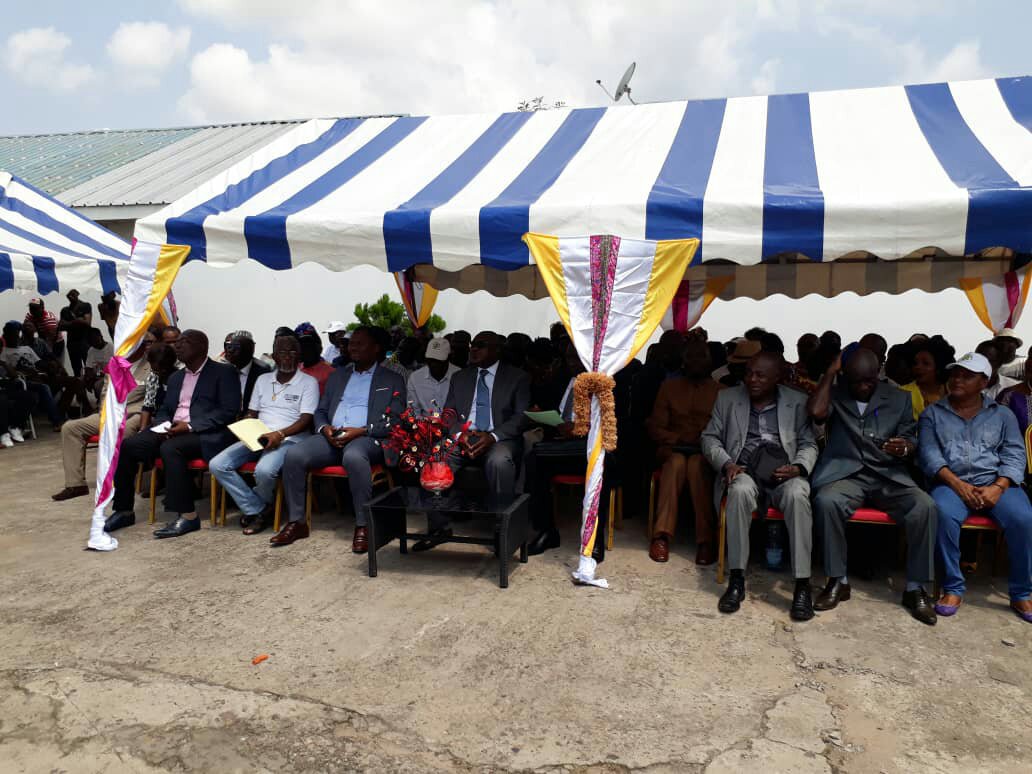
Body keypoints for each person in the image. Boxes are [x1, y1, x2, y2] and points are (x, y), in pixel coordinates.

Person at [808, 348, 938, 625]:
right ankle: (837, 580)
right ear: (845, 376)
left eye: (869, 380)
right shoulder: (836, 393)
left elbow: (910, 438)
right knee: (827, 502)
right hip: (846, 475)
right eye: (857, 381)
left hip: (888, 475)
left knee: (924, 506)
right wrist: (830, 372)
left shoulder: (899, 398)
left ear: (878, 374)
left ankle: (916, 588)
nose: (864, 386)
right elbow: (817, 412)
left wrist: (905, 447)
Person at [701, 352, 818, 621]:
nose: (752, 379)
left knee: (798, 495)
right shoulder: (728, 398)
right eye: (749, 373)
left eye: (760, 375)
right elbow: (709, 438)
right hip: (744, 470)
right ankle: (737, 580)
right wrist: (727, 463)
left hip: (784, 473)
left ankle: (802, 585)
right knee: (739, 491)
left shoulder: (797, 402)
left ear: (777, 378)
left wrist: (798, 467)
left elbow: (809, 443)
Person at [918, 352, 1032, 624]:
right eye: (955, 374)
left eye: (967, 376)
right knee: (941, 513)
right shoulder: (933, 413)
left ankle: (1021, 592)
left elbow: (1015, 454)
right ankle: (953, 588)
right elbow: (929, 455)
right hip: (951, 482)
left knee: (1024, 518)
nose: (957, 380)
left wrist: (999, 486)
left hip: (995, 482)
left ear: (984, 382)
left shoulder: (1002, 415)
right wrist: (958, 485)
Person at [276, 326, 406, 551]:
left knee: (354, 456)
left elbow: (397, 421)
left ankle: (363, 525)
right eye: (351, 343)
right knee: (294, 454)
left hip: (366, 437)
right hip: (332, 436)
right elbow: (320, 411)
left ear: (376, 348)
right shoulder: (338, 375)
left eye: (359, 343)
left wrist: (361, 431)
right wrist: (324, 428)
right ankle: (297, 522)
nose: (352, 347)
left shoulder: (392, 378)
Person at [103, 330, 240, 537]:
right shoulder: (176, 377)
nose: (178, 345)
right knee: (128, 445)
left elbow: (228, 411)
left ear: (201, 347)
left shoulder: (224, 372)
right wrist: (162, 426)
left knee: (170, 448)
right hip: (172, 429)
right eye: (178, 342)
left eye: (184, 342)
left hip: (205, 433)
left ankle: (188, 516)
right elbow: (166, 409)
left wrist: (190, 426)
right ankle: (123, 510)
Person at [210, 335, 319, 535]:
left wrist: (279, 434)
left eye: (292, 352)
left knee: (264, 471)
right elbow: (252, 412)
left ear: (299, 356)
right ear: (274, 356)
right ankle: (258, 509)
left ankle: (258, 511)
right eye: (282, 352)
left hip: (290, 438)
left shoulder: (308, 382)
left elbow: (306, 420)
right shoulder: (263, 380)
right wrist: (245, 426)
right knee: (218, 464)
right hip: (259, 435)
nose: (287, 356)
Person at [523, 346, 609, 560]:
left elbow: (613, 422)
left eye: (576, 357)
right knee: (534, 460)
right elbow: (550, 412)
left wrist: (582, 428)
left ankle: (595, 539)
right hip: (562, 447)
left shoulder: (604, 383)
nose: (571, 361)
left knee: (601, 471)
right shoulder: (561, 381)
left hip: (591, 448)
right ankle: (546, 531)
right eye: (568, 356)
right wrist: (540, 415)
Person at [52, 330, 156, 501]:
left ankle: (118, 484)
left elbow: (150, 400)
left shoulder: (152, 366)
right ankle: (75, 484)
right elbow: (105, 394)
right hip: (110, 413)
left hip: (137, 414)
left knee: (123, 431)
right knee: (70, 428)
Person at [646, 338, 725, 565]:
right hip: (673, 448)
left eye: (702, 357)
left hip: (705, 452)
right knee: (676, 464)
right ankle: (661, 536)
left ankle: (706, 540)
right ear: (683, 361)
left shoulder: (721, 392)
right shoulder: (669, 388)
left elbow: (726, 431)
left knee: (696, 466)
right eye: (692, 357)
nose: (697, 361)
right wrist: (678, 438)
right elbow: (655, 426)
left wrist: (703, 439)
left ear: (710, 361)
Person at [443, 331, 531, 499]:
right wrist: (460, 435)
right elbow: (449, 415)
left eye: (480, 346)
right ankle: (438, 514)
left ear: (497, 350)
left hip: (500, 439)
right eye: (472, 345)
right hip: (464, 436)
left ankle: (502, 513)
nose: (474, 349)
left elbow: (521, 416)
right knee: (437, 456)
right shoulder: (459, 377)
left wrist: (492, 436)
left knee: (499, 461)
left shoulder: (517, 377)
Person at [1, 321, 62, 429]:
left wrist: (51, 366)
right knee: (44, 387)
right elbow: (10, 374)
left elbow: (39, 363)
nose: (16, 336)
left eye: (17, 333)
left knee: (67, 381)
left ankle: (57, 412)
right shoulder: (3, 352)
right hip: (22, 380)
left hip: (39, 375)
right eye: (13, 333)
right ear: (6, 335)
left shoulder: (27, 348)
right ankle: (56, 420)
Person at [900, 339, 953, 420]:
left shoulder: (954, 391)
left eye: (925, 363)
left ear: (939, 367)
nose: (918, 367)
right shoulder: (902, 394)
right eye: (915, 363)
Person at [222, 330, 270, 416]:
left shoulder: (262, 372)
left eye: (236, 347)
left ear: (251, 349)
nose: (230, 350)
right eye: (228, 346)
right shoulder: (223, 369)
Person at [407, 338, 458, 414]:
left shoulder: (460, 376)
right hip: (424, 420)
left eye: (438, 360)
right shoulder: (415, 378)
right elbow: (412, 410)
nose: (433, 364)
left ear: (449, 357)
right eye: (430, 360)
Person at [59, 289, 93, 376]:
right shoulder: (65, 310)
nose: (71, 296)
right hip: (72, 343)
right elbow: (61, 326)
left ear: (77, 294)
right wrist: (77, 321)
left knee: (89, 368)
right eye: (69, 295)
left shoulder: (85, 306)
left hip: (85, 341)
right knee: (76, 369)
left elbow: (87, 323)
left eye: (73, 294)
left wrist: (68, 324)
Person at [295, 324, 334, 394]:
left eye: (309, 344)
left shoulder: (331, 373)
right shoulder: (293, 371)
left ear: (317, 345)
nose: (306, 348)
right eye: (302, 345)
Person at [82, 328, 113, 404]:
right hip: (98, 377)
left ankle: (104, 403)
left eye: (95, 340)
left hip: (111, 377)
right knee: (80, 382)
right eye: (91, 342)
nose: (94, 344)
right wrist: (88, 377)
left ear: (101, 336)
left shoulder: (112, 348)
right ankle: (87, 405)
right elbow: (88, 367)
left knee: (100, 385)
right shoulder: (91, 350)